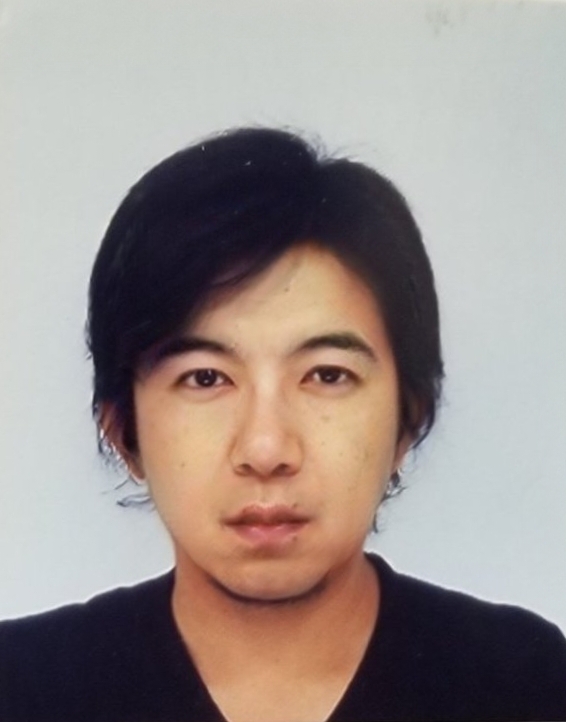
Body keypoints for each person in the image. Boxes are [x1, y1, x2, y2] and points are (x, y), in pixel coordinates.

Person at [0, 127, 565, 722]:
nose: (266, 449)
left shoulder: (523, 682)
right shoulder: (23, 687)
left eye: (326, 375)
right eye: (205, 378)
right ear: (123, 431)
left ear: (408, 419)